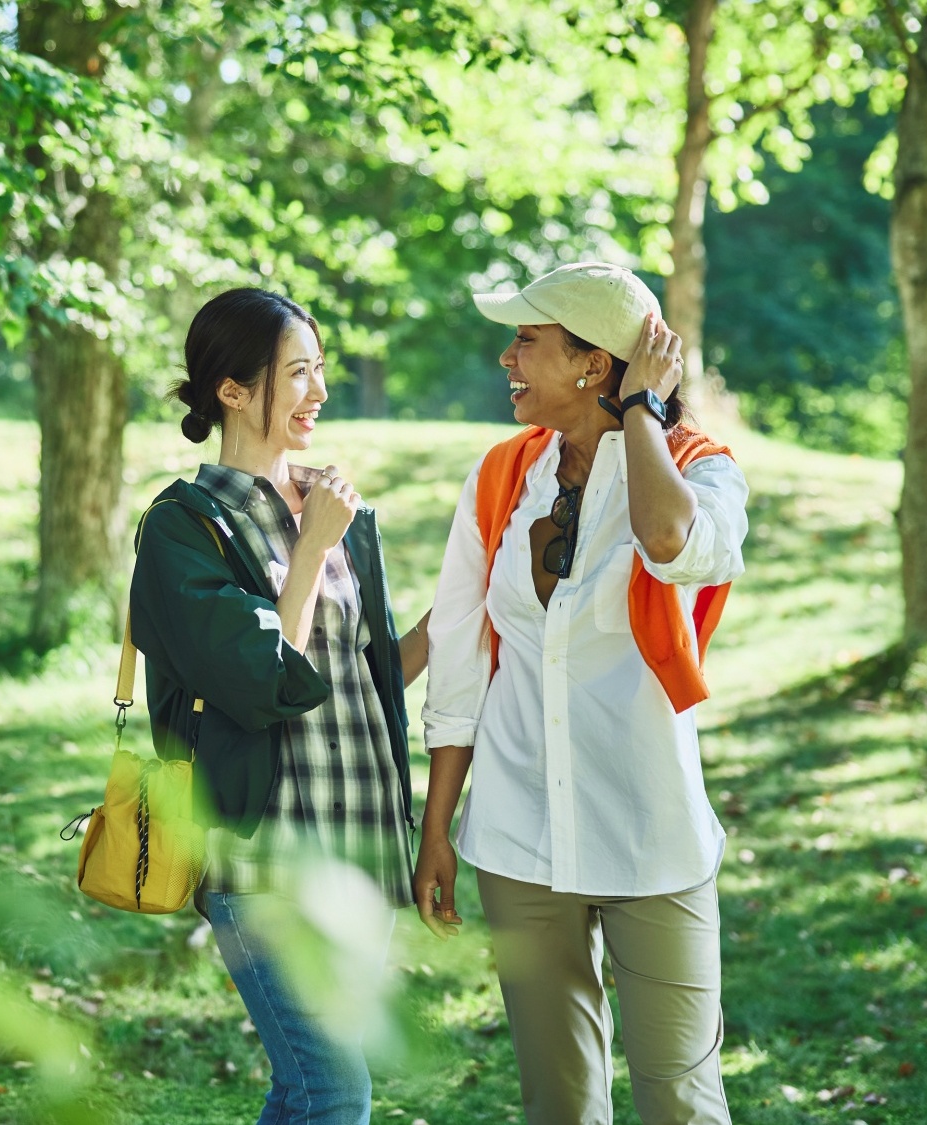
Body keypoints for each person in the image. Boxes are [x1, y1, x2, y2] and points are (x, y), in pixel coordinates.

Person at [412, 263, 750, 1125]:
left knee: (682, 1101)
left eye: (527, 340)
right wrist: (437, 826)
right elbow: (458, 658)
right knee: (558, 1104)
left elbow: (669, 541)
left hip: (651, 835)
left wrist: (641, 411)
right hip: (518, 836)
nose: (507, 358)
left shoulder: (702, 472)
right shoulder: (500, 476)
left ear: (593, 363)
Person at [128, 287, 429, 1125]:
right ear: (232, 389)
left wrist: (467, 612)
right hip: (264, 860)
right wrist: (311, 548)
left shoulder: (337, 510)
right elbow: (265, 679)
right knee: (335, 1091)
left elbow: (367, 677)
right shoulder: (184, 527)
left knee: (306, 1087)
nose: (320, 390)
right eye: (298, 372)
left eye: (320, 368)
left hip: (362, 845)